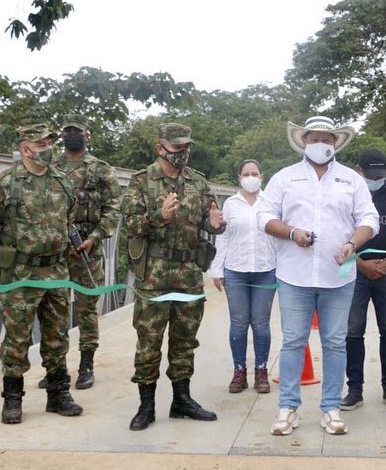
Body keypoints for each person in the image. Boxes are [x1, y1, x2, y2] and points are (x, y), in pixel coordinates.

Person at [258, 115, 379, 436]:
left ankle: (330, 409)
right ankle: (288, 408)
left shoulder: (352, 180)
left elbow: (369, 217)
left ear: (336, 143)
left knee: (335, 343)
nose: (321, 144)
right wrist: (292, 232)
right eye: (315, 139)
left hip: (338, 277)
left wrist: (354, 243)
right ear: (304, 142)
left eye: (327, 139)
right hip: (293, 277)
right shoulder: (285, 178)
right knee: (294, 341)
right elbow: (264, 215)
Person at [0, 123, 83, 424]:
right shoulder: (5, 184)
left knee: (57, 336)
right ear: (25, 149)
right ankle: (12, 399)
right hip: (21, 274)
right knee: (17, 339)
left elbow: (69, 218)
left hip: (57, 270)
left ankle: (58, 394)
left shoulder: (62, 181)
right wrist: (8, 251)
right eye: (41, 145)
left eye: (50, 143)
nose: (48, 149)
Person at [121, 122, 226, 431]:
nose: (183, 154)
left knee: (184, 340)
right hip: (153, 277)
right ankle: (146, 405)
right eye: (177, 148)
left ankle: (182, 400)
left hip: (189, 274)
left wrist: (216, 223)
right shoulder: (141, 182)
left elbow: (210, 223)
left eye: (186, 148)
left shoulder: (198, 182)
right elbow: (131, 226)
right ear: (161, 148)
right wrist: (159, 216)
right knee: (149, 342)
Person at [36, 114, 121, 390]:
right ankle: (55, 368)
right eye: (68, 131)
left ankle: (86, 365)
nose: (72, 135)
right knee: (54, 313)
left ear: (87, 135)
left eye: (78, 131)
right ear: (62, 135)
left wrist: (94, 238)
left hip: (88, 250)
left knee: (86, 310)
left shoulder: (100, 169)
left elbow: (113, 209)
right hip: (57, 252)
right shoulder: (49, 166)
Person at [341, 148, 386, 411]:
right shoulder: (346, 193)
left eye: (379, 174)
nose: (375, 179)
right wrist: (360, 264)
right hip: (355, 272)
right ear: (358, 171)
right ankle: (354, 390)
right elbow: (337, 231)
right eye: (370, 174)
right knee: (352, 332)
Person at [208, 159, 277, 394]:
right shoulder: (230, 204)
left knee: (260, 323)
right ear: (239, 177)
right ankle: (239, 371)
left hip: (265, 271)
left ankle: (261, 370)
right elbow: (223, 237)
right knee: (238, 323)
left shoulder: (271, 202)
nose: (250, 177)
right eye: (246, 173)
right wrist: (217, 269)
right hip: (235, 270)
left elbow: (278, 235)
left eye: (254, 173)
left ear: (262, 176)